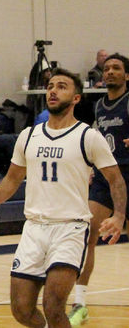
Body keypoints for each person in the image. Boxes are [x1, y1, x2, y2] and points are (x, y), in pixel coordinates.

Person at [0, 68, 126, 328]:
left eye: (61, 86)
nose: (53, 91)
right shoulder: (28, 135)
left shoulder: (88, 136)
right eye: (50, 86)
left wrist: (118, 215)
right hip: (34, 228)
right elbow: (13, 178)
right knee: (21, 310)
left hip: (70, 228)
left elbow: (115, 178)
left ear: (76, 98)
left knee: (53, 305)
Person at [69, 53, 129, 326]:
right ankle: (80, 302)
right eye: (107, 68)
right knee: (87, 232)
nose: (111, 72)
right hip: (107, 177)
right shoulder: (99, 107)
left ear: (127, 75)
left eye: (117, 68)